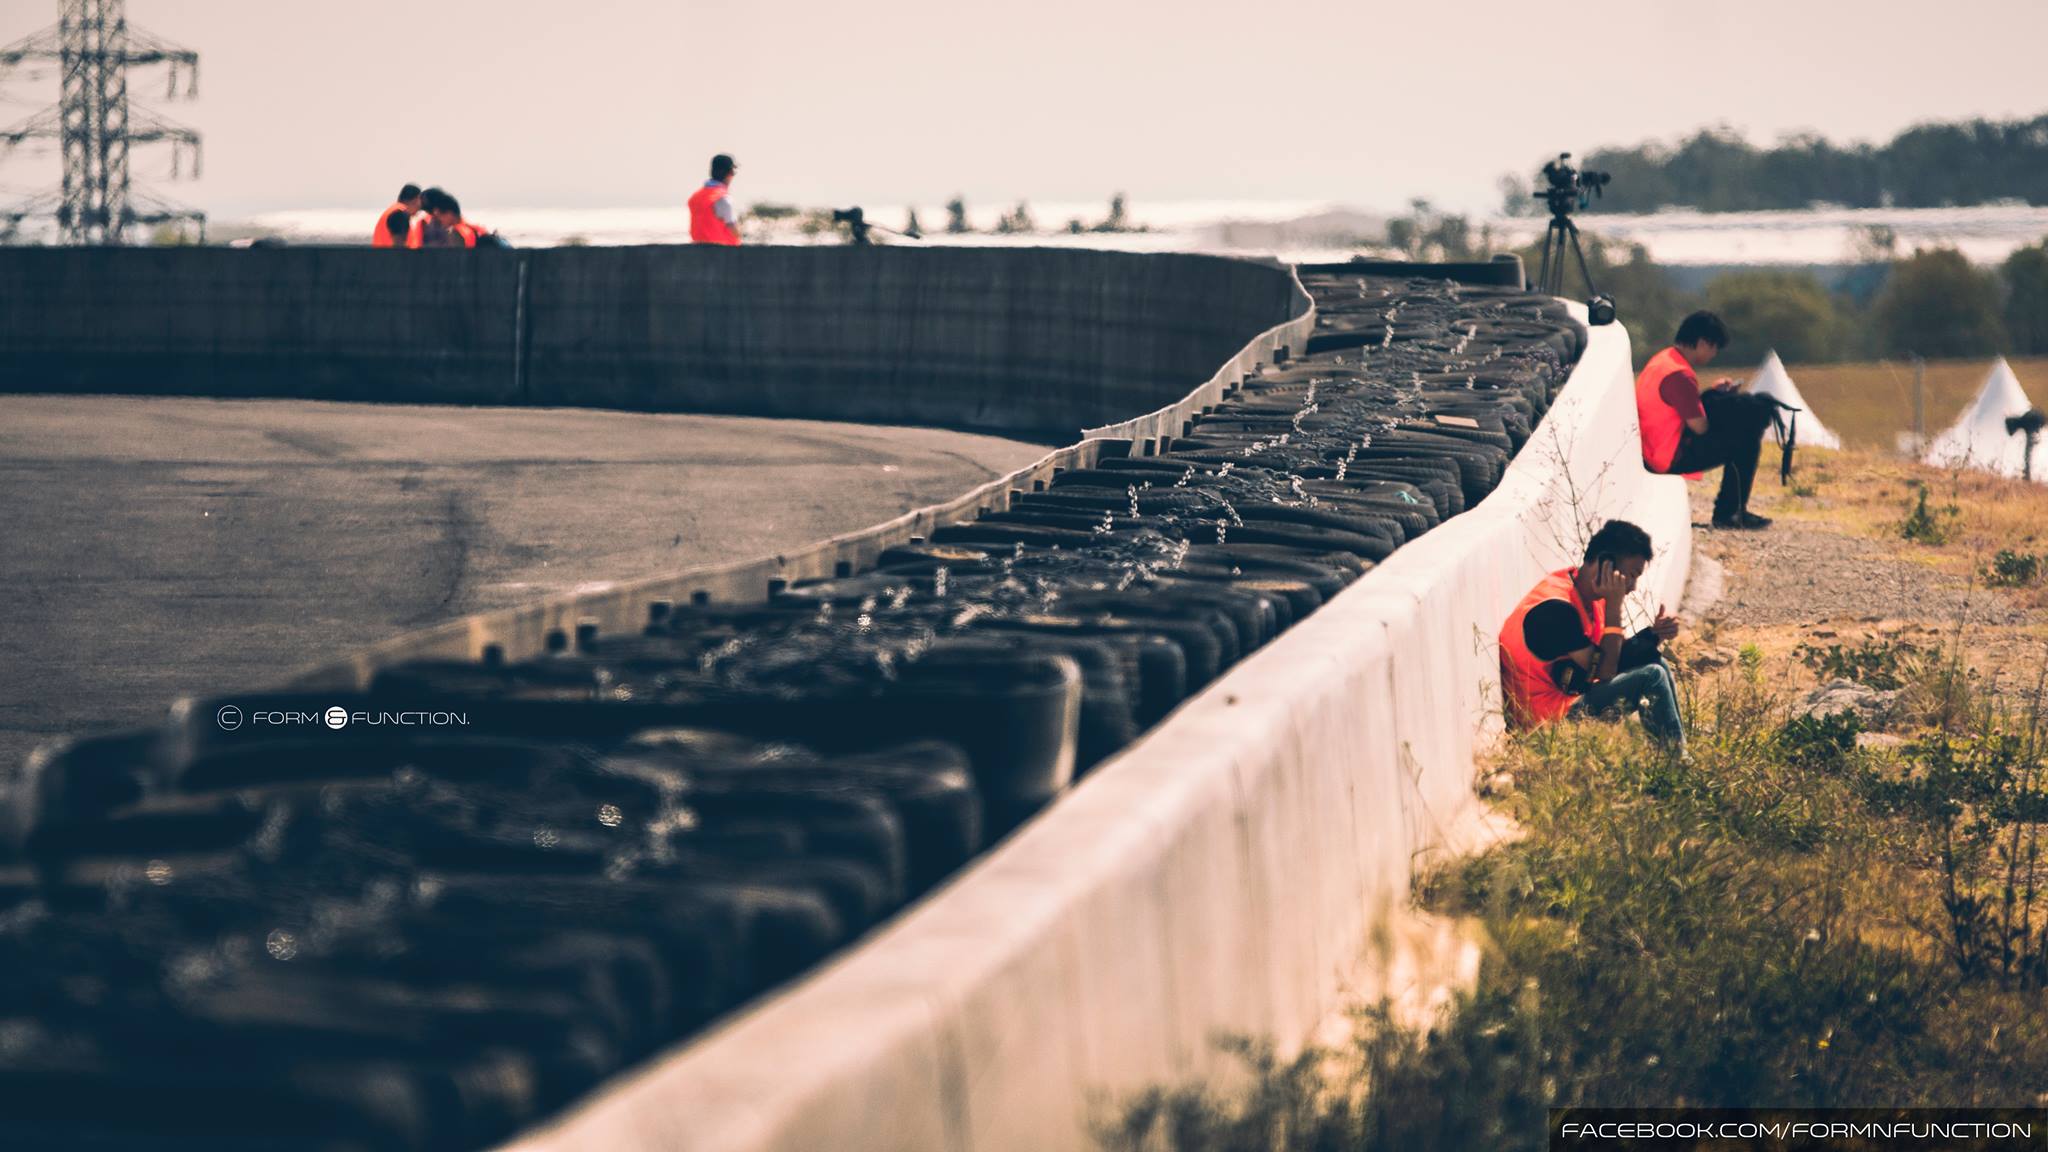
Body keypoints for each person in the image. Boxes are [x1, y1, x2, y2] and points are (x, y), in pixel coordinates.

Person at [1499, 520, 1684, 752]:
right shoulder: (1556, 611)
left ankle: (1677, 752)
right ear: (1605, 565)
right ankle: (1675, 762)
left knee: (1657, 662)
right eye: (1631, 575)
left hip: (1570, 701)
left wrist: (1654, 635)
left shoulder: (1587, 597)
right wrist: (1615, 606)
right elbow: (1605, 671)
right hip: (1545, 725)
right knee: (1652, 676)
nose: (1633, 587)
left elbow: (1612, 657)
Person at [1636, 311, 1778, 530]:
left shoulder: (1662, 361)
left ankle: (1732, 512)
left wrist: (1713, 394)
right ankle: (1730, 513)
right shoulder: (1680, 374)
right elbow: (1700, 427)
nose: (1713, 354)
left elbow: (1678, 407)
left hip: (1648, 449)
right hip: (1666, 455)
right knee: (1746, 438)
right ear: (1703, 343)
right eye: (1714, 348)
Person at [688, 154, 741, 246]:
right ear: (730, 173)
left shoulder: (695, 197)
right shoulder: (723, 198)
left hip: (697, 250)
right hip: (723, 250)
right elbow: (732, 227)